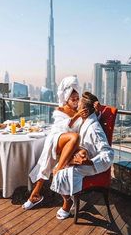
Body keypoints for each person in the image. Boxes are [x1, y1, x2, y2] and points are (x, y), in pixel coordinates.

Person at [22, 76, 89, 210]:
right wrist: (76, 116)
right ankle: (58, 170)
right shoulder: (61, 110)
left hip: (69, 145)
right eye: (72, 99)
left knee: (54, 163)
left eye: (77, 99)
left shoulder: (81, 110)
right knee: (74, 137)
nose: (76, 102)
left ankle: (36, 195)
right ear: (66, 99)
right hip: (57, 139)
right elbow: (63, 128)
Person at [50, 91, 114, 220]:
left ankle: (67, 203)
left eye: (78, 103)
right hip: (82, 158)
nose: (76, 104)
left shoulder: (94, 128)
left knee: (62, 173)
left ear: (85, 109)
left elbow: (108, 153)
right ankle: (68, 199)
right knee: (57, 167)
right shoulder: (87, 120)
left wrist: (89, 162)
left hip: (92, 163)